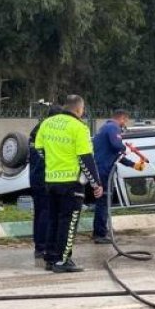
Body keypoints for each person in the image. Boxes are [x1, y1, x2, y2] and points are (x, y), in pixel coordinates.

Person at [34, 95, 104, 273]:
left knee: (53, 220)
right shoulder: (79, 127)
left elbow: (39, 149)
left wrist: (53, 162)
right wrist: (96, 184)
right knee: (68, 222)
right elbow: (85, 158)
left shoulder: (47, 123)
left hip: (51, 181)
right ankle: (63, 260)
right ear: (79, 109)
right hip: (71, 183)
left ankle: (50, 258)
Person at [91, 109, 141, 244]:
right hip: (104, 170)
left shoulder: (105, 128)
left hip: (103, 169)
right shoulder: (113, 127)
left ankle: (100, 232)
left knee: (103, 202)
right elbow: (117, 146)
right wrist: (127, 149)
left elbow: (116, 154)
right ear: (123, 118)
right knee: (103, 202)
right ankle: (100, 234)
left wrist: (133, 165)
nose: (125, 125)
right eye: (126, 121)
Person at [29, 106, 61, 260]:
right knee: (45, 214)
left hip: (35, 178)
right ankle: (42, 246)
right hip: (44, 178)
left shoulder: (37, 131)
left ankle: (39, 246)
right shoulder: (48, 132)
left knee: (39, 213)